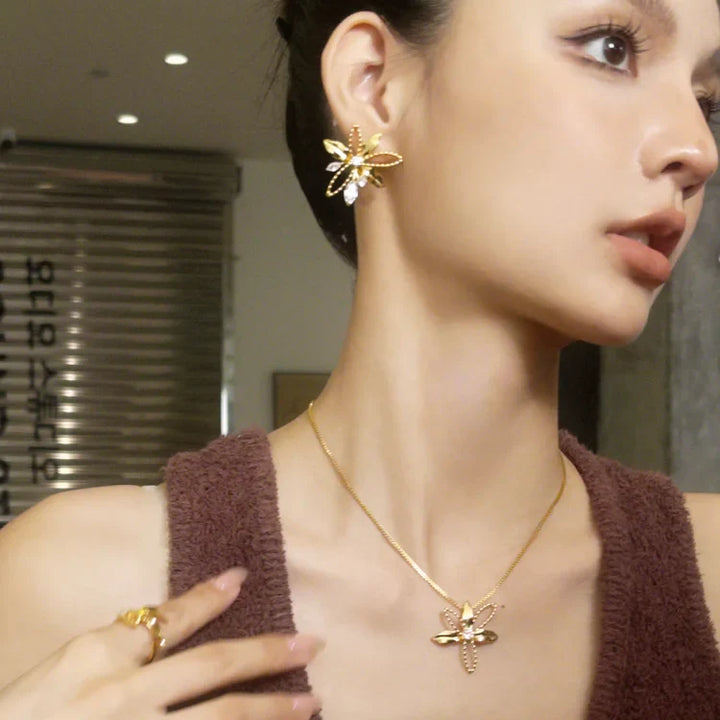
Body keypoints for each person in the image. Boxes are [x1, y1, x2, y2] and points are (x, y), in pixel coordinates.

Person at [1, 0, 720, 718]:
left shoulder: (709, 573)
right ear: (372, 84)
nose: (697, 149)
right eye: (610, 48)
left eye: (707, 99)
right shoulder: (76, 587)